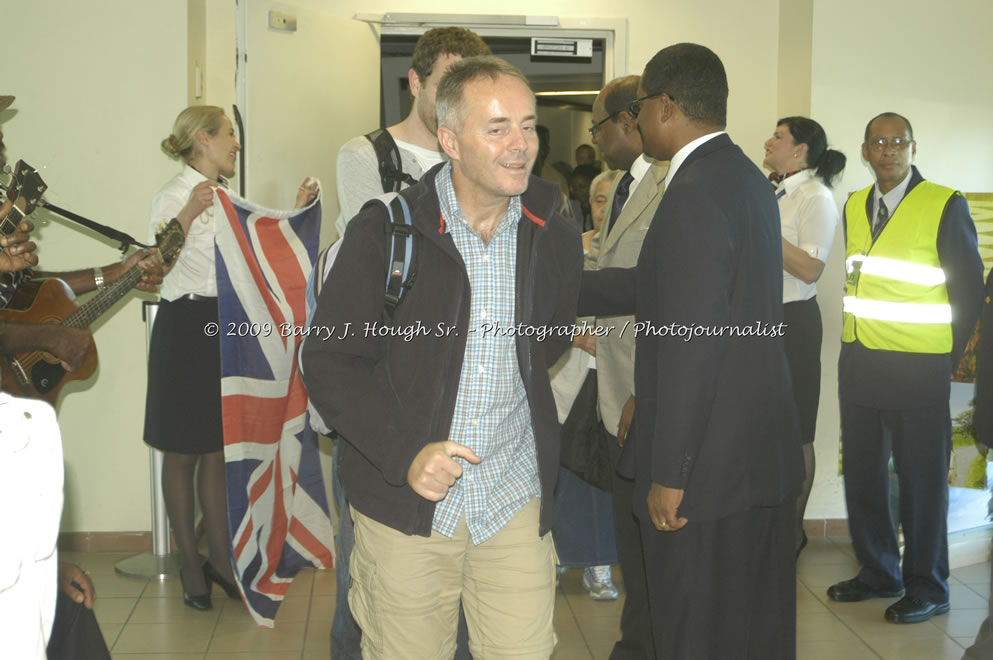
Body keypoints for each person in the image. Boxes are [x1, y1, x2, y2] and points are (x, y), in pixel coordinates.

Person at [302, 56, 581, 660]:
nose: (521, 146)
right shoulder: (386, 231)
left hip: (513, 496)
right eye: (498, 128)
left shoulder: (550, 228)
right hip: (407, 506)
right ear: (450, 141)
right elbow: (329, 362)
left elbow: (550, 336)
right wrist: (406, 453)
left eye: (529, 126)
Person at [578, 43, 804, 658]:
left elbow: (691, 343)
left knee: (694, 629)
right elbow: (672, 292)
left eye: (642, 107)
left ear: (668, 107)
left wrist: (670, 471)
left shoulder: (694, 192)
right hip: (753, 448)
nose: (636, 121)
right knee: (751, 624)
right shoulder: (743, 178)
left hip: (705, 467)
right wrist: (555, 289)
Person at [328, 25, 490, 660]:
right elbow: (397, 272)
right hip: (387, 393)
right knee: (366, 583)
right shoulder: (365, 156)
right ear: (416, 82)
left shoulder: (481, 154)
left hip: (469, 393)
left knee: (465, 588)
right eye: (449, 84)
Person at [144, 105, 315, 611]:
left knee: (217, 449)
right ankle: (191, 567)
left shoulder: (228, 197)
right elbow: (159, 259)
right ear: (203, 138)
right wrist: (189, 211)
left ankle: (221, 559)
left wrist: (300, 209)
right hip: (184, 327)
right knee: (182, 451)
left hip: (221, 329)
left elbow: (262, 244)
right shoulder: (175, 195)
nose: (236, 144)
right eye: (229, 135)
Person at [827, 112, 984, 624]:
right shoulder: (853, 204)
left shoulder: (943, 202)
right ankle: (878, 571)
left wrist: (946, 360)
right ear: (865, 151)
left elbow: (967, 290)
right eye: (879, 142)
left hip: (919, 369)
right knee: (865, 479)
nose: (889, 150)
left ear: (913, 148)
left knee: (921, 484)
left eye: (899, 142)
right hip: (861, 364)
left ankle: (928, 585)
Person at [586, 73, 668, 660]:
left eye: (596, 125)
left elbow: (666, 296)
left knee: (656, 547)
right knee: (631, 541)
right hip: (615, 391)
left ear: (626, 122)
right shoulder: (619, 185)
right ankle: (635, 642)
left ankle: (648, 644)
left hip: (650, 390)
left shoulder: (674, 184)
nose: (593, 138)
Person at [762, 116, 846, 555]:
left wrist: (761, 228)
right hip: (760, 320)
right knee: (761, 426)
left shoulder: (816, 196)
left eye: (778, 137)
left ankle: (792, 533)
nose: (768, 142)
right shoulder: (773, 191)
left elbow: (810, 269)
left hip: (793, 321)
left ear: (800, 150)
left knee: (797, 431)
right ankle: (765, 526)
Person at [551, 167, 619, 602]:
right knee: (566, 472)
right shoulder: (564, 250)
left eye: (614, 199)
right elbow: (543, 309)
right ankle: (558, 556)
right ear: (587, 206)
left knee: (606, 477)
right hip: (568, 376)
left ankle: (601, 565)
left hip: (615, 384)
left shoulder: (637, 249)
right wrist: (576, 336)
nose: (605, 207)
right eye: (598, 200)